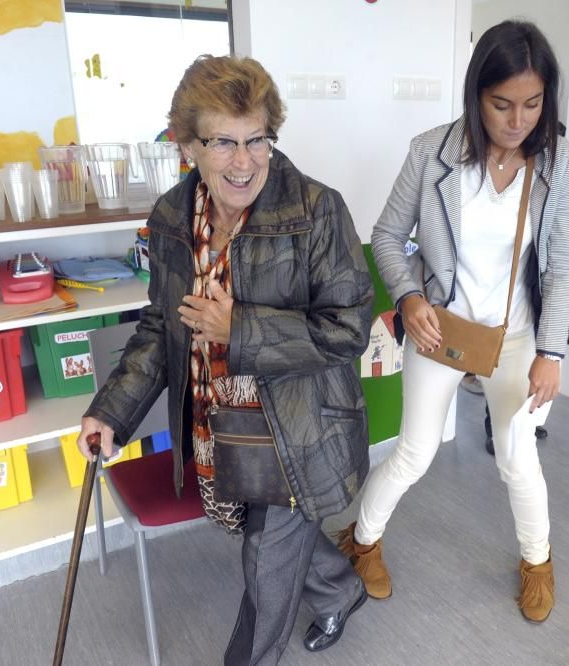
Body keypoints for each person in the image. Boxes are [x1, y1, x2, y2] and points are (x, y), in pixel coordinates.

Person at [75, 55, 374, 665]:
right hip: (215, 422)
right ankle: (342, 588)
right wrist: (112, 412)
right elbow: (161, 327)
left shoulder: (317, 211)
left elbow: (347, 329)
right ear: (188, 145)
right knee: (265, 540)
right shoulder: (170, 217)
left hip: (293, 426)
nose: (244, 161)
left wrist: (239, 328)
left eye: (256, 139)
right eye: (222, 142)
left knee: (264, 569)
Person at [337, 20, 569, 624]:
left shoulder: (556, 162)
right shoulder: (431, 153)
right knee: (415, 453)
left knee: (518, 459)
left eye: (532, 104)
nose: (517, 119)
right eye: (502, 104)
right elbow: (388, 237)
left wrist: (551, 350)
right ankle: (362, 542)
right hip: (439, 331)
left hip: (517, 338)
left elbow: (563, 261)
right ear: (476, 94)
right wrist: (411, 297)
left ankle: (538, 563)